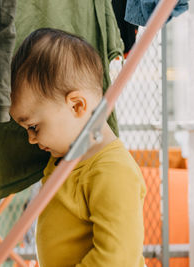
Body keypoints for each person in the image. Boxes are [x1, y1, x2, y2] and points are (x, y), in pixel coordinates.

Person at [9, 28, 146, 266]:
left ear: (76, 106)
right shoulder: (66, 157)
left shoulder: (113, 172)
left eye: (34, 127)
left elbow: (117, 258)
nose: (30, 139)